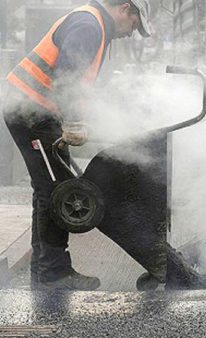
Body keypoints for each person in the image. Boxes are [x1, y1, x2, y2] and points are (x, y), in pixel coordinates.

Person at [2, 0, 152, 290]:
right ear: (124, 8)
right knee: (58, 191)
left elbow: (79, 82)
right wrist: (71, 123)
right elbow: (66, 76)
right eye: (136, 24)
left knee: (49, 188)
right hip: (32, 113)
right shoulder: (89, 25)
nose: (133, 32)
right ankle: (53, 274)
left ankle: (44, 271)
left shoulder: (93, 23)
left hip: (37, 111)